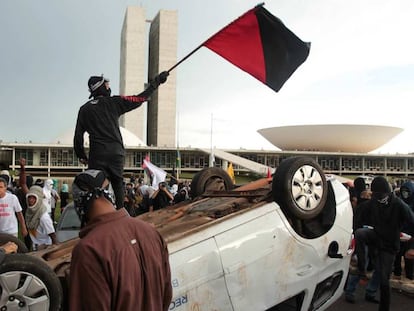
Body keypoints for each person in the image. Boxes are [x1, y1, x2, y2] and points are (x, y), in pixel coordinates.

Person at [69, 169, 172, 311]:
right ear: (110, 193)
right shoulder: (151, 233)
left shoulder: (88, 250)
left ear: (78, 200)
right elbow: (166, 296)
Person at [73, 71, 169, 209]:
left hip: (97, 154)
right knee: (118, 184)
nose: (109, 87)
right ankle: (120, 214)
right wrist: (156, 82)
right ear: (102, 87)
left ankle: (96, 216)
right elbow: (139, 99)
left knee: (96, 186)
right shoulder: (114, 102)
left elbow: (78, 136)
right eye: (107, 84)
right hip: (115, 152)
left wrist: (81, 155)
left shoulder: (84, 109)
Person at [354, 176, 414, 311]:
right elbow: (361, 211)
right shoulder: (374, 201)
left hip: (390, 245)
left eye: (381, 196)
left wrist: (411, 246)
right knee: (360, 233)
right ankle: (361, 270)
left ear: (388, 193)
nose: (379, 199)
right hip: (376, 236)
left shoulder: (399, 204)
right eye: (376, 196)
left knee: (383, 279)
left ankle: (384, 308)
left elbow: (412, 221)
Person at [25, 185, 58, 250]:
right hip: (34, 246)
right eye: (29, 197)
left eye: (34, 198)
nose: (30, 200)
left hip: (44, 247)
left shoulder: (43, 217)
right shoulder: (29, 212)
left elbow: (52, 235)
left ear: (39, 199)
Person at [393, 180, 414, 280]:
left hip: (411, 236)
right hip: (399, 234)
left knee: (409, 258)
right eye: (403, 191)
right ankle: (397, 273)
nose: (405, 193)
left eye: (408, 191)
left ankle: (409, 275)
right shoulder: (399, 202)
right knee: (397, 255)